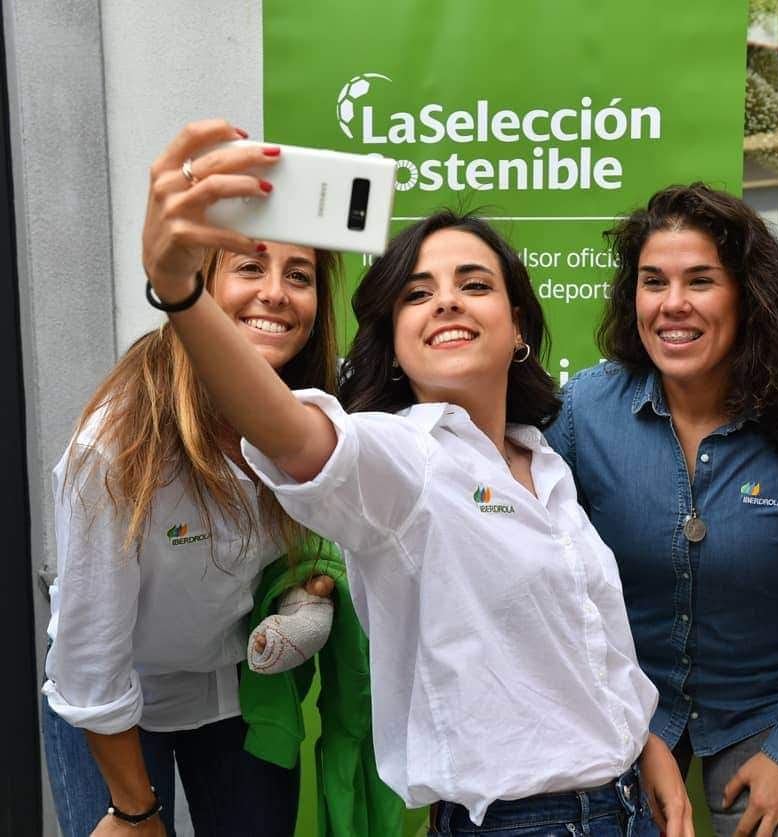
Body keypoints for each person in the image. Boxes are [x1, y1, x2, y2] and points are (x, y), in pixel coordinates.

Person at [138, 119, 694, 837]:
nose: (447, 301)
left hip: (626, 805)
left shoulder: (545, 462)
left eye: (474, 284)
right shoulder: (402, 460)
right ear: (396, 344)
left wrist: (642, 742)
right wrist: (180, 291)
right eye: (418, 293)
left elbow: (574, 651)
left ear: (517, 325)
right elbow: (288, 430)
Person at [546, 183, 778, 837]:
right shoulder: (581, 415)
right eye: (653, 281)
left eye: (700, 280)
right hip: (620, 704)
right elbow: (551, 587)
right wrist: (630, 728)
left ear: (747, 295)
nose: (672, 304)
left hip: (773, 709)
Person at [42, 225, 341, 836]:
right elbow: (90, 663)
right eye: (251, 269)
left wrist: (306, 586)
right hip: (115, 703)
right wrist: (134, 809)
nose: (277, 294)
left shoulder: (312, 418)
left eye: (299, 275)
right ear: (197, 286)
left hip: (237, 691)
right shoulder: (117, 448)